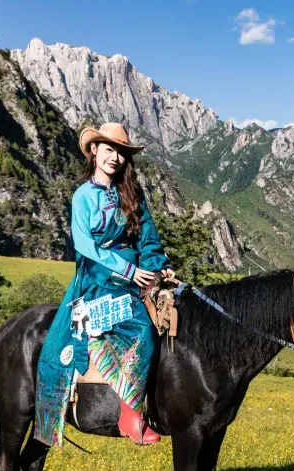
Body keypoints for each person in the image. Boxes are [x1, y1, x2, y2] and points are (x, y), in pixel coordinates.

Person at [33, 122, 175, 447]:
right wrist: (128, 270)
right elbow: (84, 245)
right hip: (98, 276)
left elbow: (148, 236)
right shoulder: (83, 196)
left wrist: (157, 266)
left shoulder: (132, 194)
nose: (115, 157)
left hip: (135, 270)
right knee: (140, 326)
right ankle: (129, 414)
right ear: (94, 151)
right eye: (109, 149)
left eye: (121, 153)